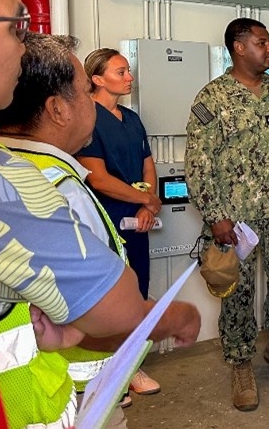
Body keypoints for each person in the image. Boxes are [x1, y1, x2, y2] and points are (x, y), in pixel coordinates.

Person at [0, 0, 200, 427]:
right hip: (41, 400)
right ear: (57, 108)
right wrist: (178, 316)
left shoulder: (3, 157)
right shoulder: (6, 180)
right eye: (16, 27)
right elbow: (114, 312)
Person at [0, 33, 131, 425]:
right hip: (78, 388)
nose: (92, 106)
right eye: (86, 92)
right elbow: (95, 309)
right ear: (58, 109)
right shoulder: (58, 188)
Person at [184, 17, 269, 412]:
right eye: (263, 42)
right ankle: (241, 363)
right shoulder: (213, 98)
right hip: (235, 218)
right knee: (238, 293)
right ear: (239, 47)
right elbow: (199, 163)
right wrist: (214, 215)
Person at [76, 48, 162, 397]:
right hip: (105, 220)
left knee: (137, 291)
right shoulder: (87, 120)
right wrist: (144, 199)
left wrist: (148, 207)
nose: (130, 77)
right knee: (108, 299)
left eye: (129, 71)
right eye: (121, 71)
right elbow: (96, 178)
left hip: (137, 222)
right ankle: (109, 374)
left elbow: (148, 166)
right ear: (97, 79)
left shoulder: (132, 119)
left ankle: (131, 367)